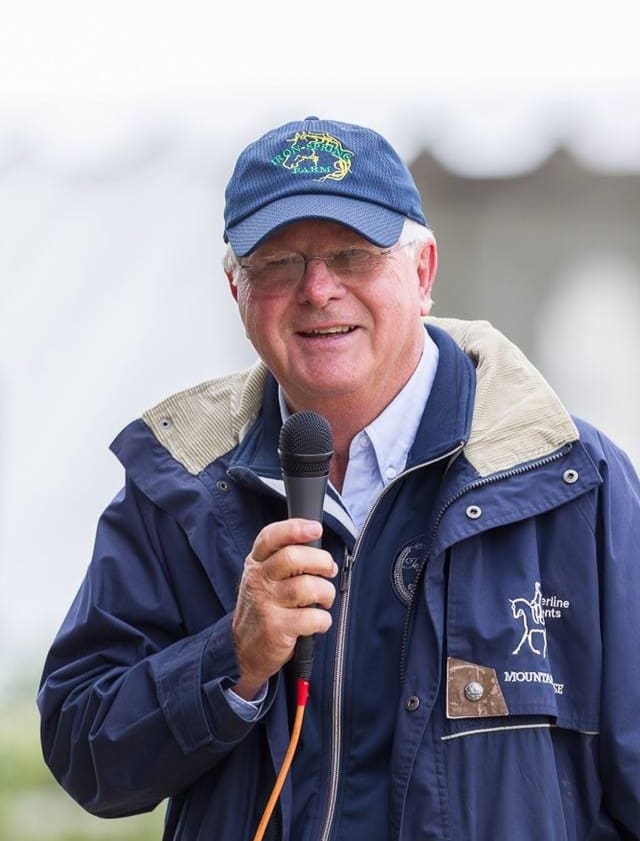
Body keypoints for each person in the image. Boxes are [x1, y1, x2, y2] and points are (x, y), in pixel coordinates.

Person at [38, 116, 640, 840]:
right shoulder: (180, 485)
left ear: (422, 273)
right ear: (235, 289)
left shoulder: (574, 482)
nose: (318, 289)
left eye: (353, 254)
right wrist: (231, 658)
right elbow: (85, 753)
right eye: (278, 263)